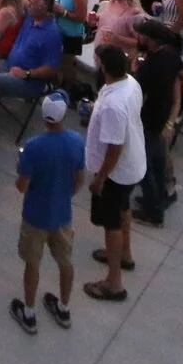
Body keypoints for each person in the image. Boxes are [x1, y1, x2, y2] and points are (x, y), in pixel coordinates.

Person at [10, 91, 86, 332]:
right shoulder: (76, 141)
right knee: (65, 262)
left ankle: (29, 313)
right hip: (62, 215)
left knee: (32, 264)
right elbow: (79, 179)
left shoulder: (33, 147)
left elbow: (22, 186)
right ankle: (63, 309)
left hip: (35, 216)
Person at [80, 45, 144, 303]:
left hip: (116, 174)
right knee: (123, 209)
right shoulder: (130, 83)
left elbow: (114, 147)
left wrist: (100, 178)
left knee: (111, 223)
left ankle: (114, 282)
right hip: (133, 164)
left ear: (104, 67)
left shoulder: (113, 106)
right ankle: (125, 254)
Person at [131, 19, 183, 229]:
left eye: (142, 35)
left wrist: (135, 69)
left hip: (149, 120)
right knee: (158, 162)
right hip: (163, 117)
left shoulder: (151, 65)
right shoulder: (171, 54)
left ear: (150, 40)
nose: (139, 38)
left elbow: (138, 93)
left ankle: (154, 213)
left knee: (144, 168)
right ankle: (161, 196)